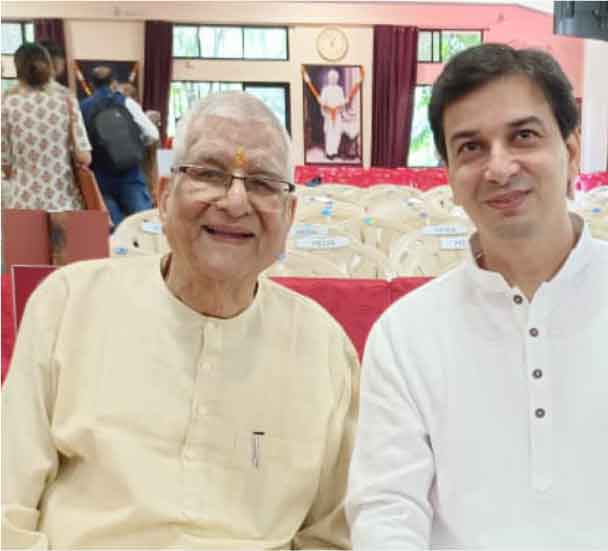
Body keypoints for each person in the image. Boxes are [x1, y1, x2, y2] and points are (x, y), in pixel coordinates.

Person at [346, 44, 608, 549]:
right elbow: (386, 509)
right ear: (450, 178)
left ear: (570, 151)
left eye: (523, 136)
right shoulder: (404, 333)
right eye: (471, 147)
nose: (499, 167)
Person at [2, 92, 360, 549]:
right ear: (165, 196)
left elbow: (333, 532)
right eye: (210, 174)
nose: (234, 201)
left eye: (263, 183)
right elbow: (7, 501)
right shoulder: (70, 304)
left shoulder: (323, 348)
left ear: (289, 215)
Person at [1, 42, 91, 211]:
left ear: (18, 69)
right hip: (63, 201)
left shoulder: (7, 104)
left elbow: (5, 163)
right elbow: (84, 157)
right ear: (49, 66)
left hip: (22, 202)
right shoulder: (66, 100)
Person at [80, 65, 158, 226]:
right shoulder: (126, 102)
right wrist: (136, 145)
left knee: (115, 228)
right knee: (144, 222)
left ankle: (120, 250)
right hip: (129, 173)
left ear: (92, 84)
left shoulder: (82, 107)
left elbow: (80, 143)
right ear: (113, 83)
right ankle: (146, 251)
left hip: (100, 176)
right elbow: (153, 134)